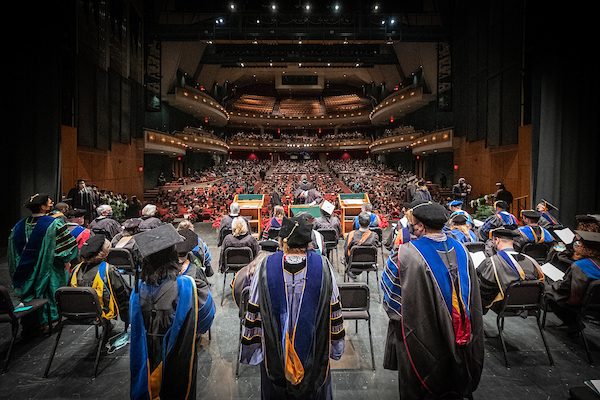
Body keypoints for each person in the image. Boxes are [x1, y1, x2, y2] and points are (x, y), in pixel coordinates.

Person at [381, 200, 484, 399]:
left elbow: (391, 297)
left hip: (422, 335)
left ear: (420, 226)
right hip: (461, 335)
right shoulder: (462, 250)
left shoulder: (406, 254)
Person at [239, 215, 345, 399]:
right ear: (309, 242)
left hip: (274, 353)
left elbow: (254, 310)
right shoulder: (324, 267)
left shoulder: (264, 267)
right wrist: (335, 347)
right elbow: (334, 311)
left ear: (282, 242)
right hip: (315, 351)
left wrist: (254, 349)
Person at [129, 224, 215, 400]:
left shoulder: (136, 292)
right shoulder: (186, 285)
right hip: (177, 354)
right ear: (173, 257)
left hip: (147, 356)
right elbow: (206, 317)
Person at [7, 193, 79, 335]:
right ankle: (49, 322)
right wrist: (65, 260)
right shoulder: (54, 223)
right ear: (43, 207)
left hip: (25, 270)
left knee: (31, 293)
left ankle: (31, 324)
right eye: (49, 202)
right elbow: (67, 248)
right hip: (49, 268)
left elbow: (13, 252)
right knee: (49, 292)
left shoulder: (19, 226)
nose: (51, 203)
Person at [69, 234, 131, 329]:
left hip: (76, 312)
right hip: (100, 312)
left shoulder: (75, 270)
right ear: (104, 251)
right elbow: (122, 294)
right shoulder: (108, 270)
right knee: (125, 294)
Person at [477, 228, 545, 314]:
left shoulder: (493, 262)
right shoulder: (531, 261)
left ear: (497, 240)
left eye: (493, 240)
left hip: (503, 304)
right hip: (529, 304)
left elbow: (485, 290)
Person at [545, 230, 600, 335]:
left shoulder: (580, 266)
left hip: (580, 303)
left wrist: (557, 283)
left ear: (583, 248)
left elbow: (567, 290)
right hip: (596, 305)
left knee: (548, 291)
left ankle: (572, 322)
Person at [344, 212, 380, 277]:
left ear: (358, 222)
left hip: (353, 263)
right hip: (369, 263)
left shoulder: (351, 234)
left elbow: (346, 250)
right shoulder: (375, 236)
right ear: (369, 223)